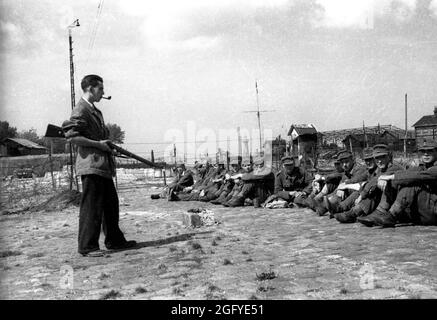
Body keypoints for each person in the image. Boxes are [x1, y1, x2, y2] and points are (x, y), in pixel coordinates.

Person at [62, 74, 136, 257]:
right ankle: (87, 247)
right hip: (91, 164)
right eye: (100, 88)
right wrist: (98, 145)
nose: (103, 92)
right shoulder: (81, 109)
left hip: (101, 165)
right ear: (90, 88)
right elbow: (72, 137)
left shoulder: (94, 111)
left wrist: (106, 145)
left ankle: (114, 240)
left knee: (111, 204)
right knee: (92, 206)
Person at [357, 140, 437, 227]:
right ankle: (381, 212)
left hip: (433, 212)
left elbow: (418, 176)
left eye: (430, 151)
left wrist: (390, 177)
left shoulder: (433, 169)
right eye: (423, 151)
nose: (426, 154)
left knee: (411, 182)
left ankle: (391, 215)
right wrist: (386, 177)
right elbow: (406, 173)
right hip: (422, 212)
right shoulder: (421, 167)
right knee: (397, 180)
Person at [335, 144, 404, 223]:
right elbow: (360, 179)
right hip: (383, 201)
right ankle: (351, 211)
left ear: (389, 157)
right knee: (367, 188)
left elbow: (374, 181)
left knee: (373, 189)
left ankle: (354, 213)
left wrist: (362, 195)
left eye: (382, 157)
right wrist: (345, 184)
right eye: (377, 158)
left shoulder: (395, 167)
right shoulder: (380, 169)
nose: (379, 161)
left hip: (395, 205)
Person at [312, 150, 367, 216]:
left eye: (347, 162)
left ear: (352, 160)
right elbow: (339, 183)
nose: (344, 165)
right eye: (342, 163)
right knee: (336, 192)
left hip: (359, 194)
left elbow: (356, 180)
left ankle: (330, 207)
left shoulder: (359, 169)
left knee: (342, 192)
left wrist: (344, 186)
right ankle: (323, 206)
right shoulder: (346, 172)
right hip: (347, 196)